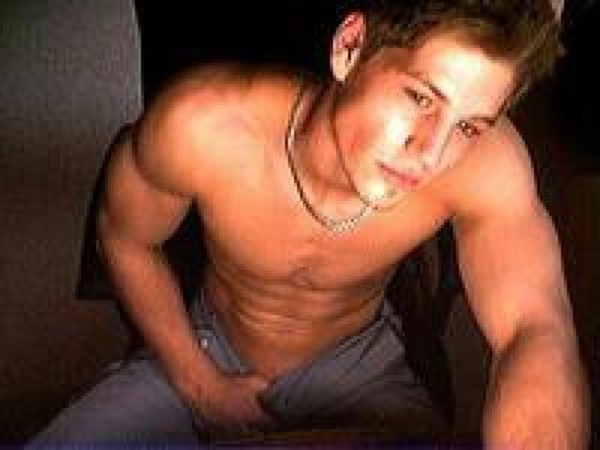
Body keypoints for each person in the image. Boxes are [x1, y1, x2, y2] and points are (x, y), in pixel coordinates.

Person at [32, 0, 589, 447]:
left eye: (467, 126)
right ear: (350, 47)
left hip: (362, 366)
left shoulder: (486, 166)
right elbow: (124, 238)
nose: (431, 153)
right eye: (421, 97)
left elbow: (534, 328)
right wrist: (199, 384)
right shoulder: (203, 124)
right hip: (207, 347)